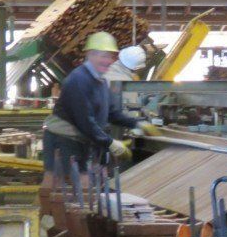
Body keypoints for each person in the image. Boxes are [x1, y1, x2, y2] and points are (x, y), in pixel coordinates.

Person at [42, 32, 159, 189]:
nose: (107, 61)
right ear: (90, 54)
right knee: (56, 182)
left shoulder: (100, 80)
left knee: (82, 183)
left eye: (110, 57)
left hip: (80, 138)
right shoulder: (79, 80)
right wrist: (111, 143)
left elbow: (111, 113)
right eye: (103, 56)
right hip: (61, 137)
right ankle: (49, 212)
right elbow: (84, 121)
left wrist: (137, 124)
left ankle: (70, 211)